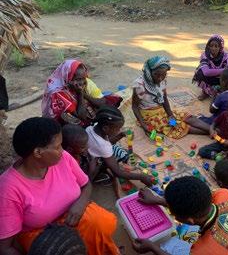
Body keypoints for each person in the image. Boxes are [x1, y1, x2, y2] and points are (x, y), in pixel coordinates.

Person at [0, 117, 120, 255]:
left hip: (71, 219)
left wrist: (80, 204)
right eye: (57, 147)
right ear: (38, 152)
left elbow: (86, 185)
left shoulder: (63, 158)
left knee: (101, 223)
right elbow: (5, 247)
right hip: (42, 235)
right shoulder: (8, 188)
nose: (62, 150)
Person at [132, 176, 228, 255]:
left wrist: (152, 247)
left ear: (190, 220)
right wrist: (157, 200)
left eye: (174, 214)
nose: (175, 217)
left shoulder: (202, 250)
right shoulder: (222, 193)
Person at [132, 56, 210, 139]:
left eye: (163, 75)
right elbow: (134, 107)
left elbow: (164, 99)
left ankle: (212, 129)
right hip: (149, 115)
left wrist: (170, 115)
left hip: (162, 110)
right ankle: (214, 132)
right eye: (156, 75)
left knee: (186, 117)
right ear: (149, 72)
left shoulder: (162, 80)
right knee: (178, 127)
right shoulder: (140, 86)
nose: (160, 78)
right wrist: (144, 125)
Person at [41, 59, 122, 127]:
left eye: (83, 78)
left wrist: (84, 94)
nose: (82, 82)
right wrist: (80, 94)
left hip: (87, 115)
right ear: (67, 77)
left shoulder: (86, 82)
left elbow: (102, 103)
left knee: (112, 103)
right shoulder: (58, 93)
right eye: (78, 79)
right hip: (70, 124)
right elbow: (81, 116)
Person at [86, 106, 153, 186]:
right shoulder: (104, 147)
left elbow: (107, 143)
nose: (119, 130)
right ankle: (98, 176)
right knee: (120, 155)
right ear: (105, 128)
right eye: (117, 129)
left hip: (91, 154)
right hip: (91, 164)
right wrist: (142, 177)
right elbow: (118, 172)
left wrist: (120, 135)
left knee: (116, 149)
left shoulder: (91, 128)